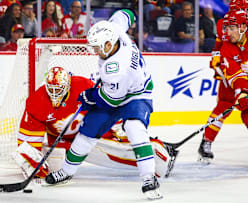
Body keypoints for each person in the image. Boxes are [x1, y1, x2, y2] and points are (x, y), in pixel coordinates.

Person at [44, 10, 163, 200]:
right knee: (88, 129)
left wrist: (90, 96)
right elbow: (126, 14)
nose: (95, 51)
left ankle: (149, 177)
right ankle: (66, 172)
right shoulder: (115, 30)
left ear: (109, 44)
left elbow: (111, 100)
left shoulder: (116, 67)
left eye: (97, 47)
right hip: (117, 89)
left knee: (134, 128)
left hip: (137, 94)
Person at [15, 66, 178, 181]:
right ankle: (156, 152)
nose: (55, 94)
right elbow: (29, 141)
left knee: (114, 151)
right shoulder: (37, 102)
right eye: (52, 90)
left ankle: (158, 153)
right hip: (63, 142)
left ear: (68, 85)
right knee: (57, 164)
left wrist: (115, 125)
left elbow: (107, 105)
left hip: (90, 131)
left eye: (59, 90)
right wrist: (34, 164)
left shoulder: (83, 86)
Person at [198, 8, 248, 163]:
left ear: (243, 27)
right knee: (223, 106)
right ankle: (206, 141)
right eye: (227, 28)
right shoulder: (227, 47)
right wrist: (243, 90)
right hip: (232, 83)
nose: (228, 32)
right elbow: (234, 73)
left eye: (231, 29)